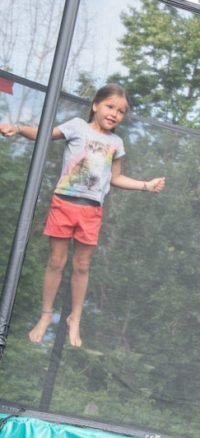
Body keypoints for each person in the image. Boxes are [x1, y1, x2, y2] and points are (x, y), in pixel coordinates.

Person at [0, 84, 165, 348]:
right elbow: (45, 134)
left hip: (91, 209)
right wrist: (18, 128)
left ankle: (74, 318)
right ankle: (45, 316)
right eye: (110, 106)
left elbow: (117, 177)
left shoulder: (116, 143)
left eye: (121, 111)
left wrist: (145, 185)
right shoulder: (77, 126)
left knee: (82, 265)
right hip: (63, 203)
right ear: (96, 105)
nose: (114, 114)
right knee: (56, 261)